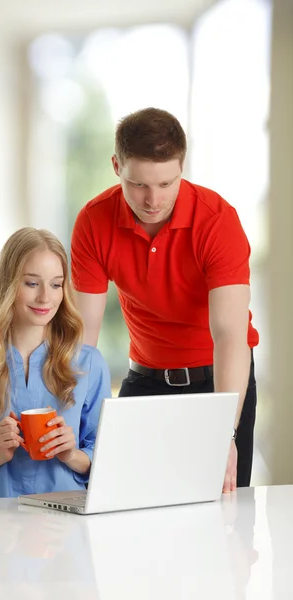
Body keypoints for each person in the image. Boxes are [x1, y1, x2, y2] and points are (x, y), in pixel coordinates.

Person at [71, 107, 259, 493]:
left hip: (218, 383)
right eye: (138, 184)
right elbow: (83, 335)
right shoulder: (94, 220)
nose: (153, 200)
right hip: (144, 381)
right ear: (116, 166)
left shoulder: (217, 220)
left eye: (166, 183)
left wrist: (225, 434)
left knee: (223, 523)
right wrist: (73, 417)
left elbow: (229, 334)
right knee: (134, 511)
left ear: (182, 167)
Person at [0, 228, 111, 498]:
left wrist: (71, 454)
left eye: (56, 284)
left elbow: (109, 464)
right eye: (32, 283)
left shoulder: (89, 363)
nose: (45, 298)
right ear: (9, 284)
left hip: (65, 527)